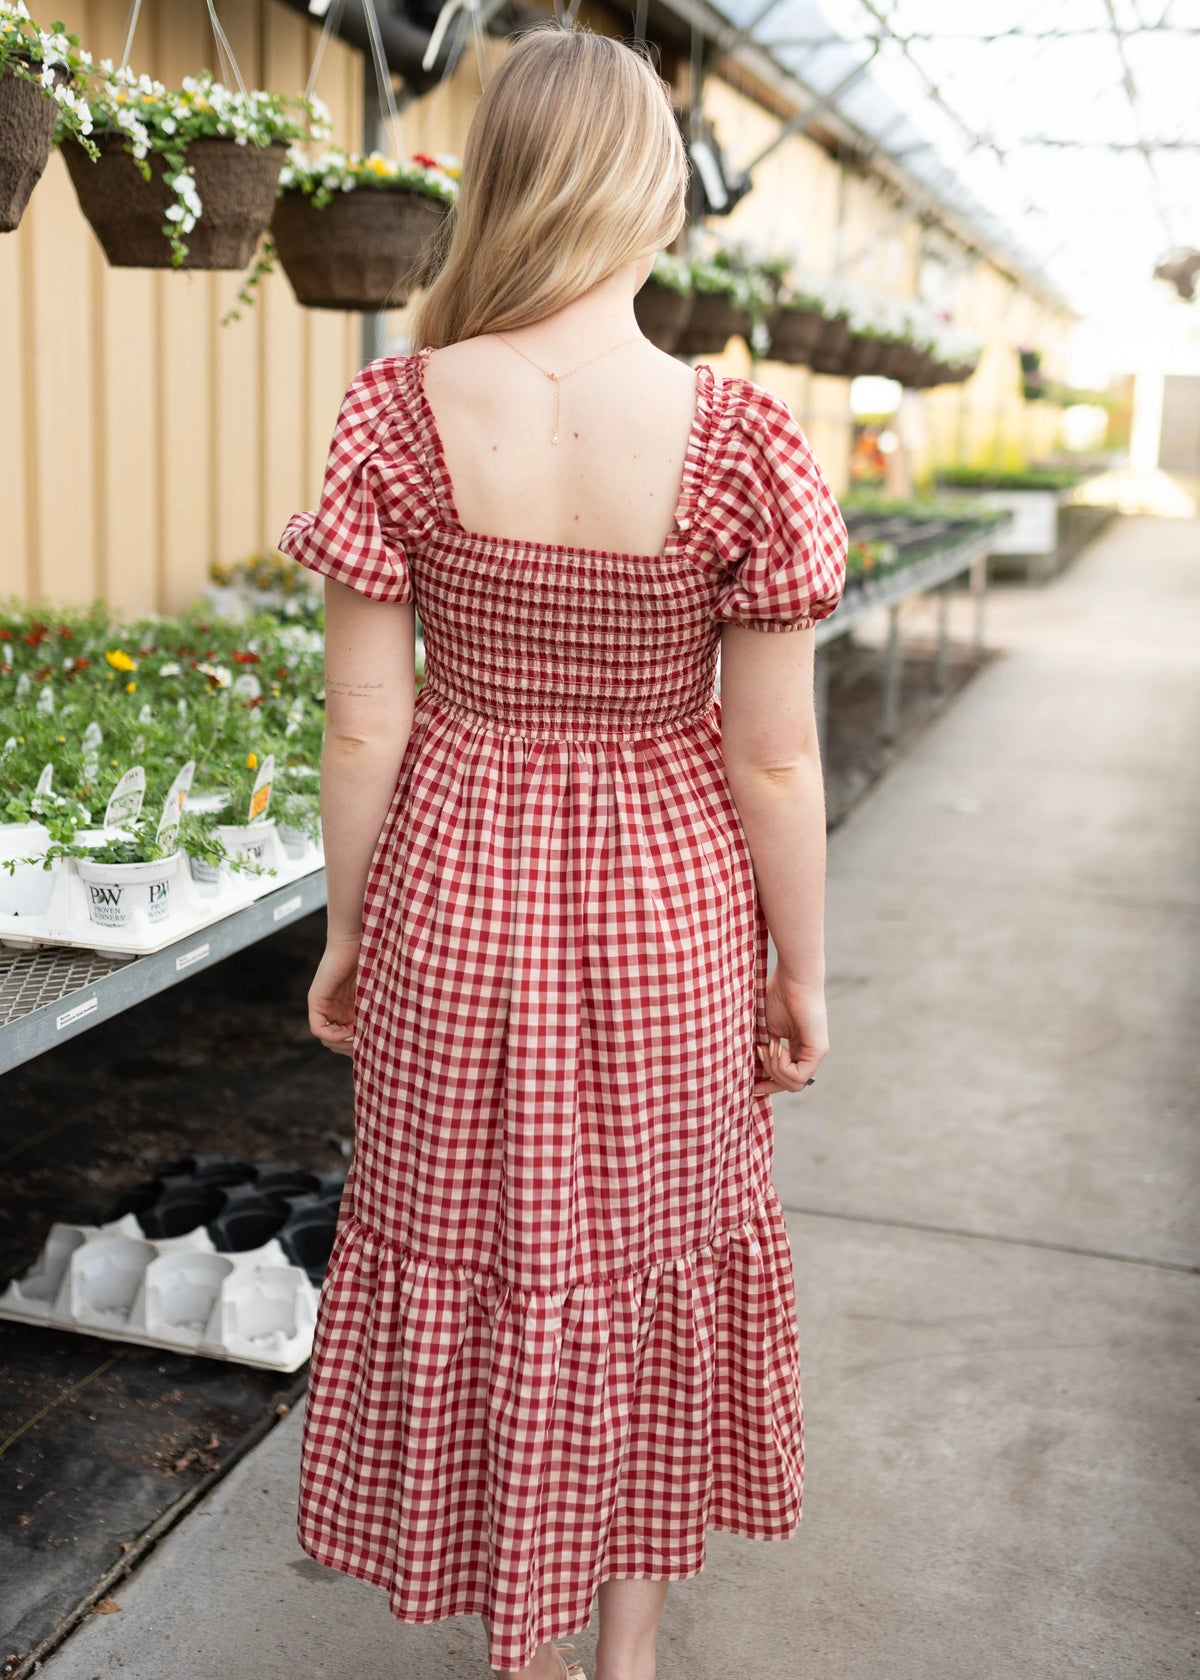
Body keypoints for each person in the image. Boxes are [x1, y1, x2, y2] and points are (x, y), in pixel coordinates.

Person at [277, 22, 847, 1680]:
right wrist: (799, 966)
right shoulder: (743, 439)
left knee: (483, 1248)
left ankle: (510, 1634)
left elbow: (368, 724)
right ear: (652, 201)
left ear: (499, 190)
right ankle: (623, 1654)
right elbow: (776, 749)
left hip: (457, 885)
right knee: (644, 1252)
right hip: (669, 902)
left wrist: (348, 933)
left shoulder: (393, 415)